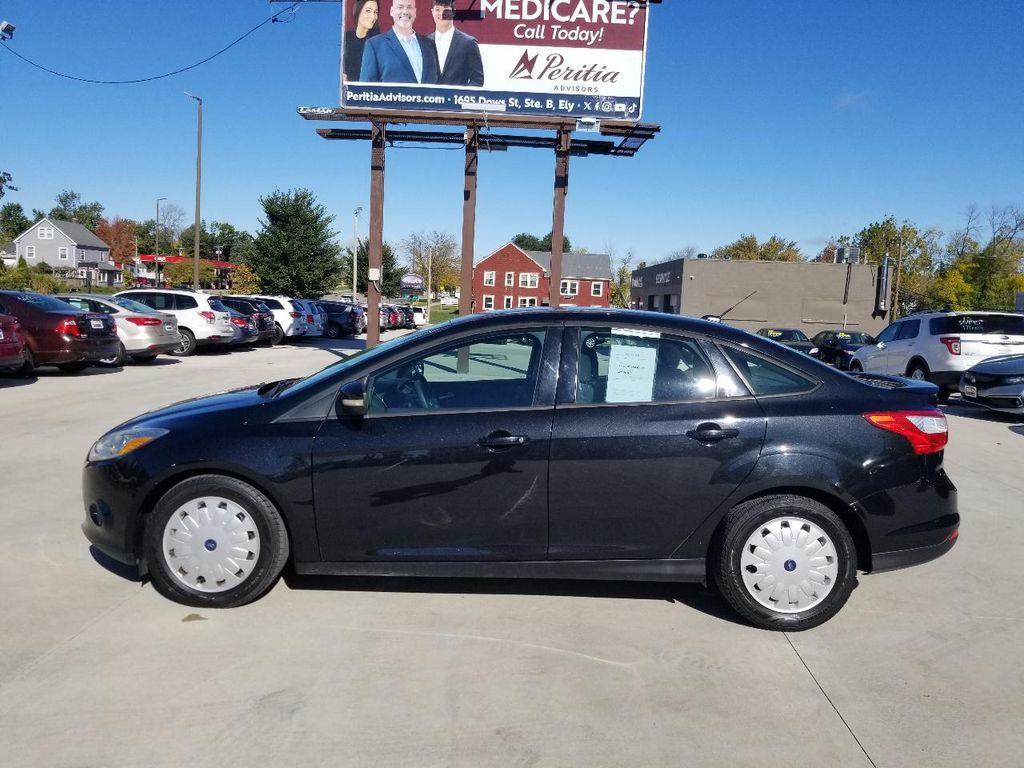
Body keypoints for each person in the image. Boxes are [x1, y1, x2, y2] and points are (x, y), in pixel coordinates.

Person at [359, 0, 439, 85]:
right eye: (400, 7)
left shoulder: (430, 45)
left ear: (415, 12)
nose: (405, 11)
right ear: (392, 11)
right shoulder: (374, 45)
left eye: (409, 7)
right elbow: (366, 91)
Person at [429, 0, 484, 87]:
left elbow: (477, 80)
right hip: (431, 99)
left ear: (453, 12)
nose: (441, 13)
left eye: (446, 9)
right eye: (437, 9)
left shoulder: (468, 43)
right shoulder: (425, 43)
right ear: (432, 12)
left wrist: (461, 97)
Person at [343, 0, 381, 82]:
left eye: (375, 12)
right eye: (368, 11)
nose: (373, 16)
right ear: (358, 11)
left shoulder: (377, 43)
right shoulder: (345, 38)